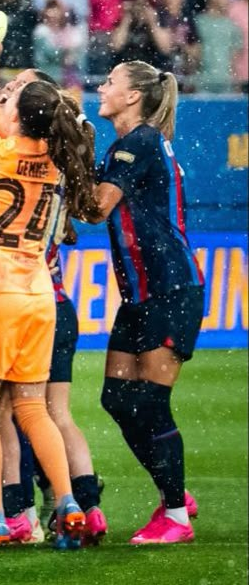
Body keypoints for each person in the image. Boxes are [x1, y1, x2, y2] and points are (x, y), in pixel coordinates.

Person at [0, 49, 100, 551]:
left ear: (16, 115)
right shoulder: (56, 160)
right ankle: (68, 503)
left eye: (11, 98)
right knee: (33, 409)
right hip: (41, 296)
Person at [94, 61, 205, 545]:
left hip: (169, 289)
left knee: (152, 405)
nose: (102, 87)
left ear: (134, 97)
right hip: (141, 294)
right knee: (116, 398)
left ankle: (176, 513)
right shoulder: (128, 145)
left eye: (111, 82)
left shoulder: (137, 143)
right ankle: (173, 489)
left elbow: (94, 207)